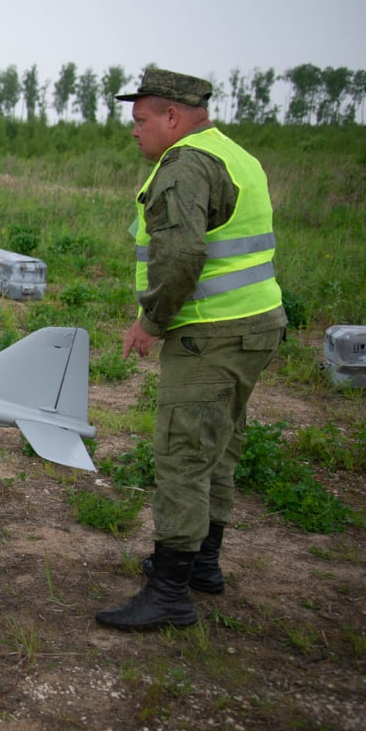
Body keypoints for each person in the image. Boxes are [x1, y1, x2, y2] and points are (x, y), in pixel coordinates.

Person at [96, 67, 287, 631]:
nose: (134, 132)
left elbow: (180, 257)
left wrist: (151, 321)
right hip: (255, 326)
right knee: (217, 448)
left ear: (172, 117)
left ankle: (170, 592)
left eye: (141, 120)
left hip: (211, 334)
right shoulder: (233, 153)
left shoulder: (183, 166)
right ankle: (203, 564)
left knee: (182, 455)